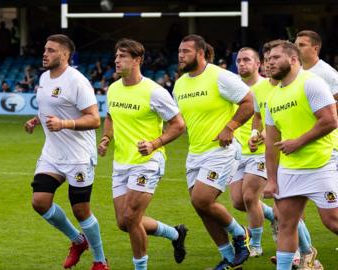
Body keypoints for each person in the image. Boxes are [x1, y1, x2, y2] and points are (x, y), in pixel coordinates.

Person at [98, 38, 188, 270]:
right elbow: (110, 117)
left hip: (147, 162)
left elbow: (178, 125)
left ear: (137, 60)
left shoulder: (154, 91)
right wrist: (107, 138)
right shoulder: (114, 88)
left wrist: (155, 143)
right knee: (123, 223)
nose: (117, 60)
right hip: (121, 163)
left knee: (130, 218)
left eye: (123, 56)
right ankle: (175, 235)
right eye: (116, 56)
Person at [24, 34, 109, 270]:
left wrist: (64, 124)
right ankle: (77, 240)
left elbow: (94, 119)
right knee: (40, 202)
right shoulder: (43, 77)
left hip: (79, 156)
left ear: (65, 54)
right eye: (44, 49)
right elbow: (49, 109)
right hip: (53, 153)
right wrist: (36, 120)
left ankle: (100, 260)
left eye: (51, 50)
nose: (45, 53)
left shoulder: (77, 81)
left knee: (81, 210)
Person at [173, 34, 254, 269]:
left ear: (200, 53)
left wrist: (230, 127)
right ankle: (230, 259)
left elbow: (249, 101)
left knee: (202, 199)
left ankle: (241, 234)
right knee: (200, 207)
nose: (181, 55)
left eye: (186, 51)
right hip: (195, 151)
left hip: (222, 149)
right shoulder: (180, 83)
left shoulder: (220, 76)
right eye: (179, 51)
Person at [263, 40, 338, 270]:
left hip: (320, 164)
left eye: (275, 58)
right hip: (290, 170)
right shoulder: (273, 97)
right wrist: (272, 179)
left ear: (293, 59)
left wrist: (298, 142)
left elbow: (330, 121)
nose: (269, 63)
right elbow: (271, 144)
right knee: (286, 224)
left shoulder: (311, 83)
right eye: (267, 59)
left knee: (332, 221)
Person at [229, 47, 275, 258]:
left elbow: (275, 115)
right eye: (239, 61)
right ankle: (274, 216)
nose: (242, 64)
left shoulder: (269, 86)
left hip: (261, 151)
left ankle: (255, 244)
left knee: (249, 197)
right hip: (238, 151)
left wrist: (263, 134)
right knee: (239, 202)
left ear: (258, 64)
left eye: (247, 60)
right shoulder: (233, 88)